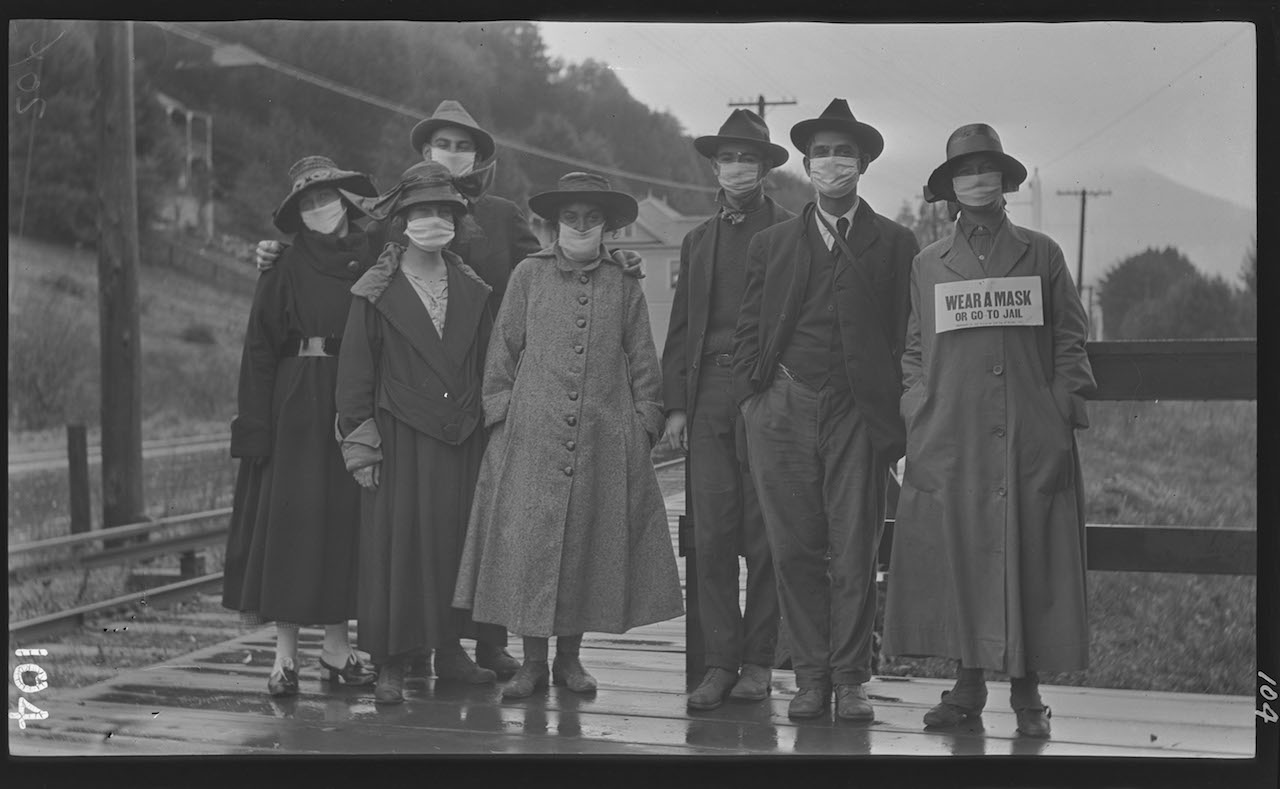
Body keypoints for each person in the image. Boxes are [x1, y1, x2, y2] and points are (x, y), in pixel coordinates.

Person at [882, 124, 1096, 739]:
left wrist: (1059, 413)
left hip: (1031, 434)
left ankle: (1029, 694)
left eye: (988, 168)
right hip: (953, 436)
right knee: (964, 555)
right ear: (950, 186)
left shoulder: (1043, 253)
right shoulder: (928, 264)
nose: (978, 180)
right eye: (965, 170)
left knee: (1027, 554)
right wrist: (918, 409)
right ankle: (968, 686)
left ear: (1004, 181)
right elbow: (915, 348)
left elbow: (1069, 340)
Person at [453, 172, 684, 701]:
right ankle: (533, 662)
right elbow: (504, 348)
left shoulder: (623, 281)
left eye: (591, 218)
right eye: (570, 218)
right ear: (554, 224)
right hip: (531, 433)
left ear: (607, 225)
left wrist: (645, 420)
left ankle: (570, 662)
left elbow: (642, 356)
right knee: (535, 545)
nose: (580, 226)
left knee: (584, 543)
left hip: (604, 434)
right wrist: (503, 416)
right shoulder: (527, 277)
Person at [733, 99, 919, 721]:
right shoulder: (773, 243)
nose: (832, 163)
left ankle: (852, 679)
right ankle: (810, 678)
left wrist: (891, 416)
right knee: (793, 548)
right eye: (821, 154)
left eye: (844, 152)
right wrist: (754, 404)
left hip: (857, 413)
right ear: (807, 165)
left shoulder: (895, 243)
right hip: (783, 405)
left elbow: (906, 336)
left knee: (856, 546)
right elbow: (748, 330)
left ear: (863, 163)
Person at [334, 160, 500, 704]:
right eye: (423, 211)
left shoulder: (473, 288)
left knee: (456, 545)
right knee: (397, 550)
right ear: (403, 219)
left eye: (443, 211)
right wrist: (362, 448)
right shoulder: (375, 290)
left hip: (461, 436)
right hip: (401, 436)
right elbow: (355, 373)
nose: (434, 219)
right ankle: (391, 663)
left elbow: (484, 363)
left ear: (456, 219)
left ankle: (450, 653)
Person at [223, 155, 380, 697]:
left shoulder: (374, 253)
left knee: (343, 521)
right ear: (297, 213)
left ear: (345, 198)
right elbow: (259, 348)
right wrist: (256, 426)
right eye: (308, 202)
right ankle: (284, 659)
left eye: (326, 196)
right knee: (290, 524)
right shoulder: (281, 265)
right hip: (294, 401)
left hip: (354, 395)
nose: (319, 207)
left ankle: (336, 650)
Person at [661, 109, 793, 711]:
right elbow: (682, 326)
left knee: (767, 533)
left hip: (767, 393)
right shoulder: (697, 240)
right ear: (715, 167)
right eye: (727, 159)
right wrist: (677, 408)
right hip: (709, 393)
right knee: (710, 535)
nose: (737, 168)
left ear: (765, 168)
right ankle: (718, 662)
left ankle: (759, 662)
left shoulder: (793, 232)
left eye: (748, 158)